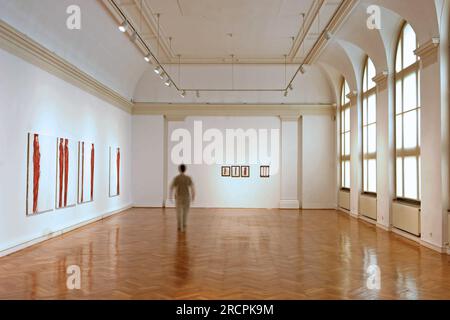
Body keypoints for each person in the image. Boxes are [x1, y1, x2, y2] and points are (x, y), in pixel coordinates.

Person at [170, 164, 195, 232]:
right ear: (185, 169)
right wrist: (193, 196)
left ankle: (179, 226)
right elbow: (192, 188)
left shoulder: (176, 178)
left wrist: (170, 196)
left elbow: (171, 187)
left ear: (179, 169)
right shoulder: (188, 178)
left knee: (178, 212)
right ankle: (184, 224)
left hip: (178, 197)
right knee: (185, 212)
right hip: (187, 197)